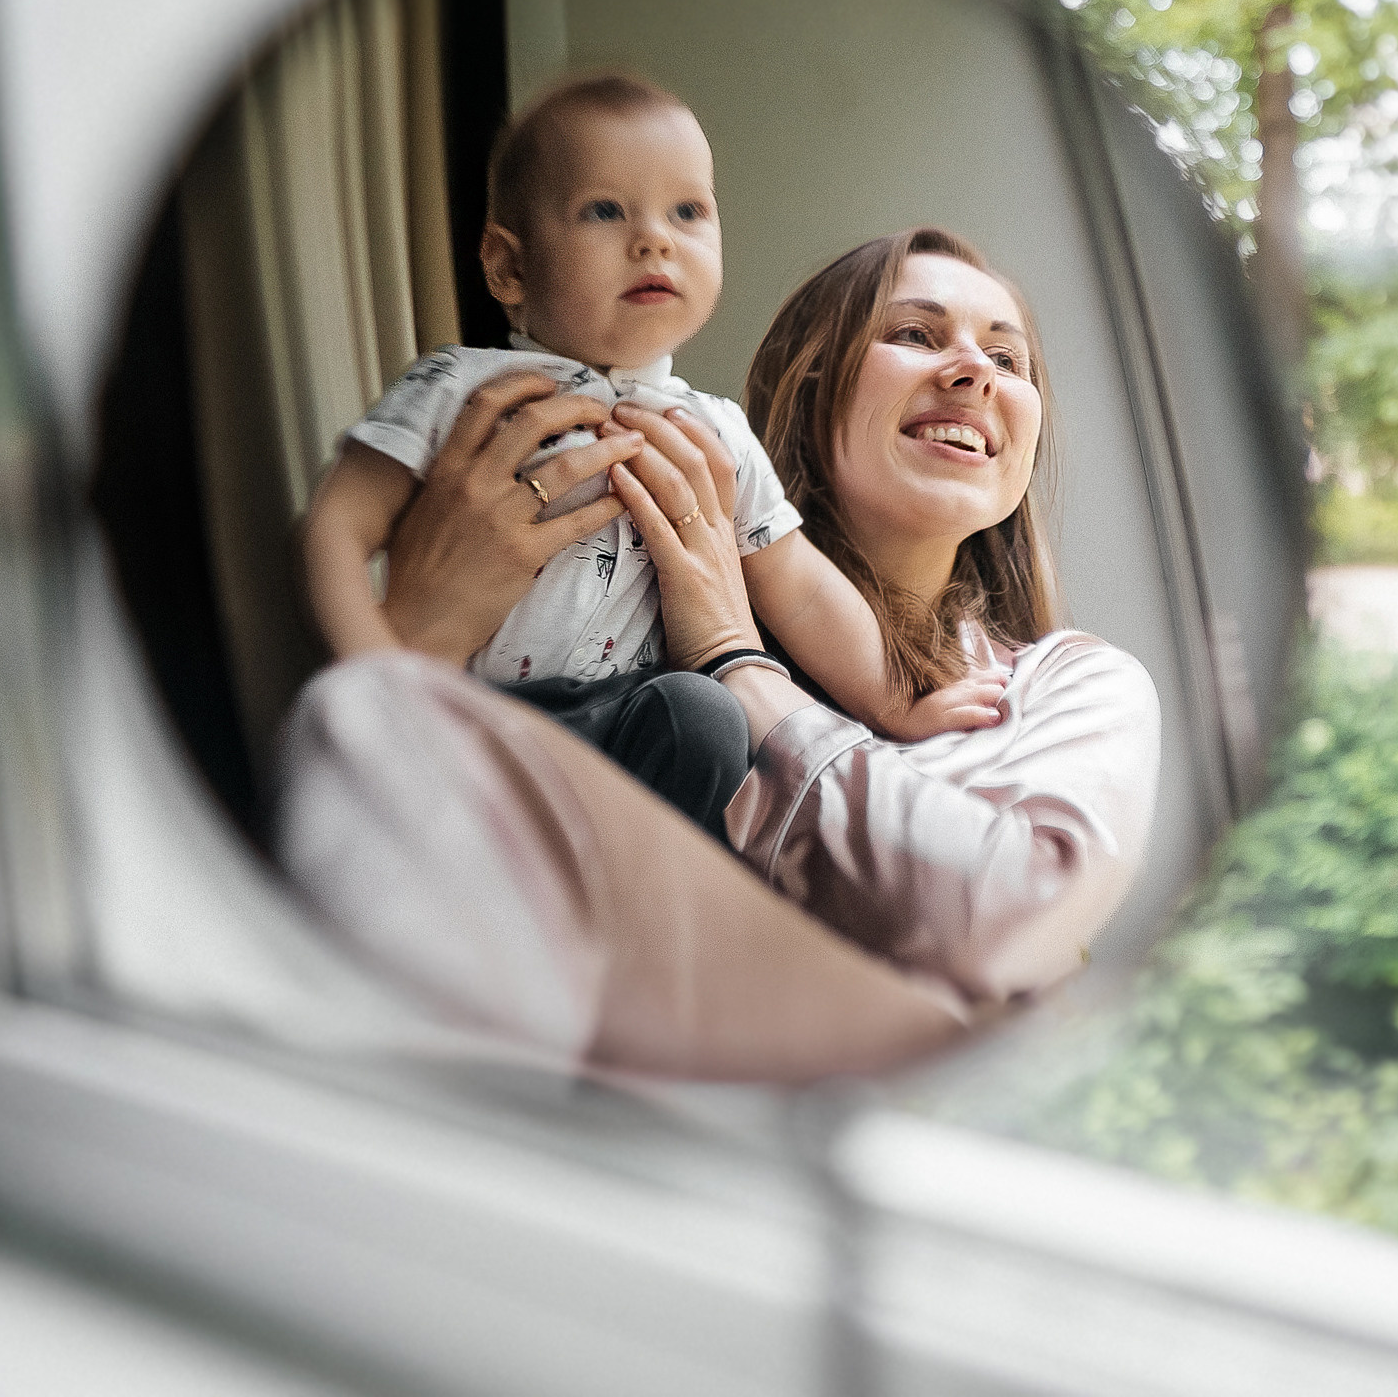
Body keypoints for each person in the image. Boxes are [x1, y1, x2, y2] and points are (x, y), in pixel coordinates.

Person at [279, 227, 1162, 1080]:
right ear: (811, 387)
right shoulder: (611, 630)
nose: (973, 370)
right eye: (915, 335)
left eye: (1008, 360)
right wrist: (427, 633)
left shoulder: (1071, 688)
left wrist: (736, 661)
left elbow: (1010, 923)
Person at [300, 75, 999, 844]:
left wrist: (895, 700)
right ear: (508, 267)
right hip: (474, 718)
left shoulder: (718, 433)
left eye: (688, 211)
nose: (654, 239)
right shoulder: (460, 387)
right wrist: (373, 680)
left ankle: (649, 901)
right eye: (605, 210)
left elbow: (797, 590)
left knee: (704, 715)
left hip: (631, 724)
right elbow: (335, 528)